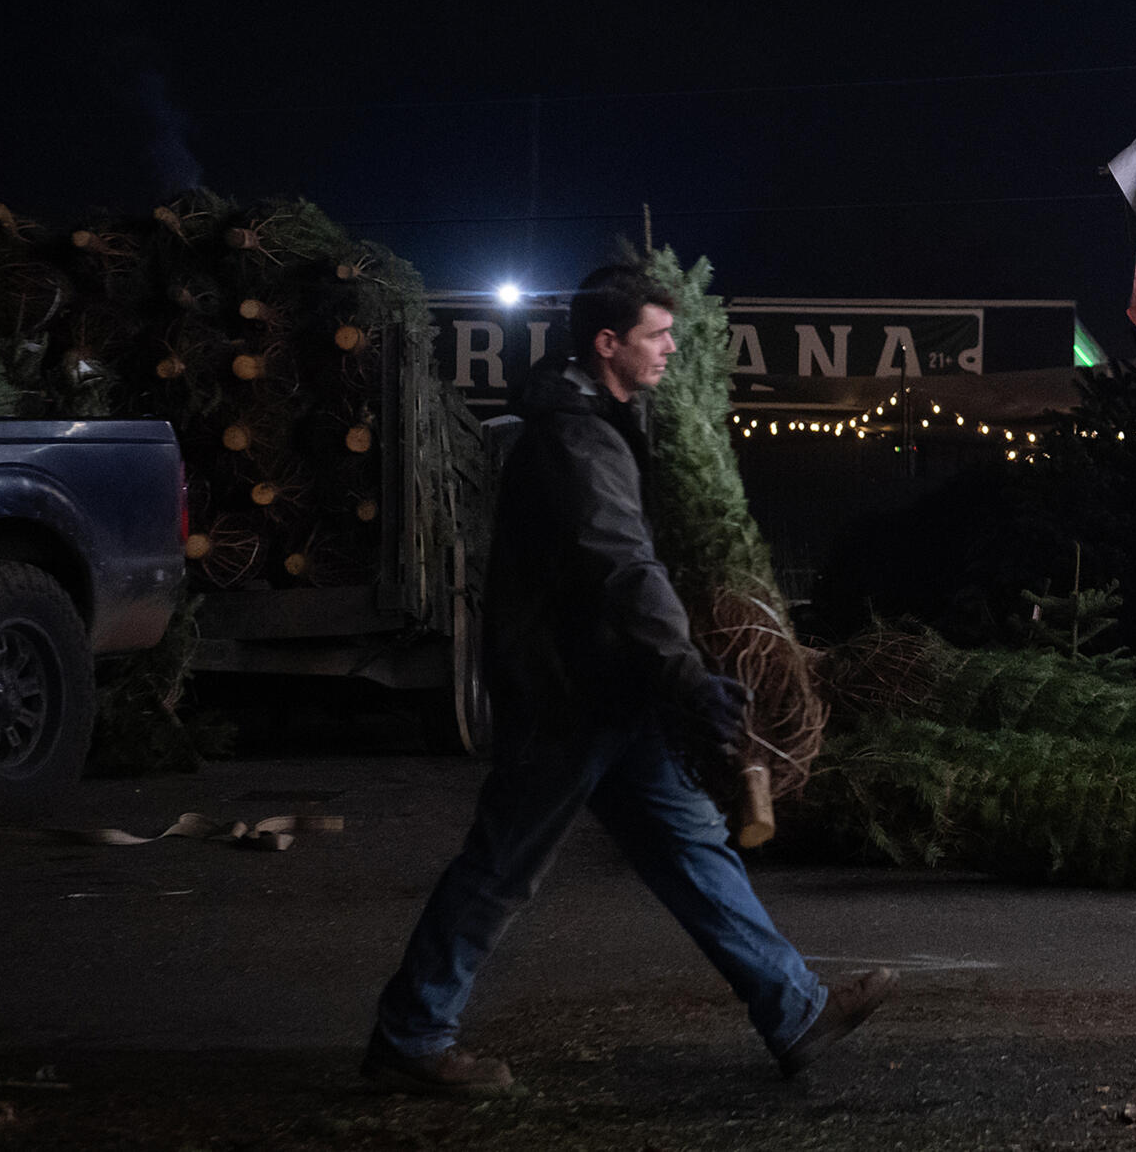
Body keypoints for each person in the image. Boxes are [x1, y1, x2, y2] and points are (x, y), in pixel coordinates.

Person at [363, 263, 892, 1097]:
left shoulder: (601, 419)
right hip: (566, 694)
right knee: (502, 867)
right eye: (657, 334)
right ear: (608, 342)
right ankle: (412, 1033)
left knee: (693, 846)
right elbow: (622, 565)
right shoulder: (576, 438)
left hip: (611, 690)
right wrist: (686, 673)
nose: (672, 347)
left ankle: (793, 1009)